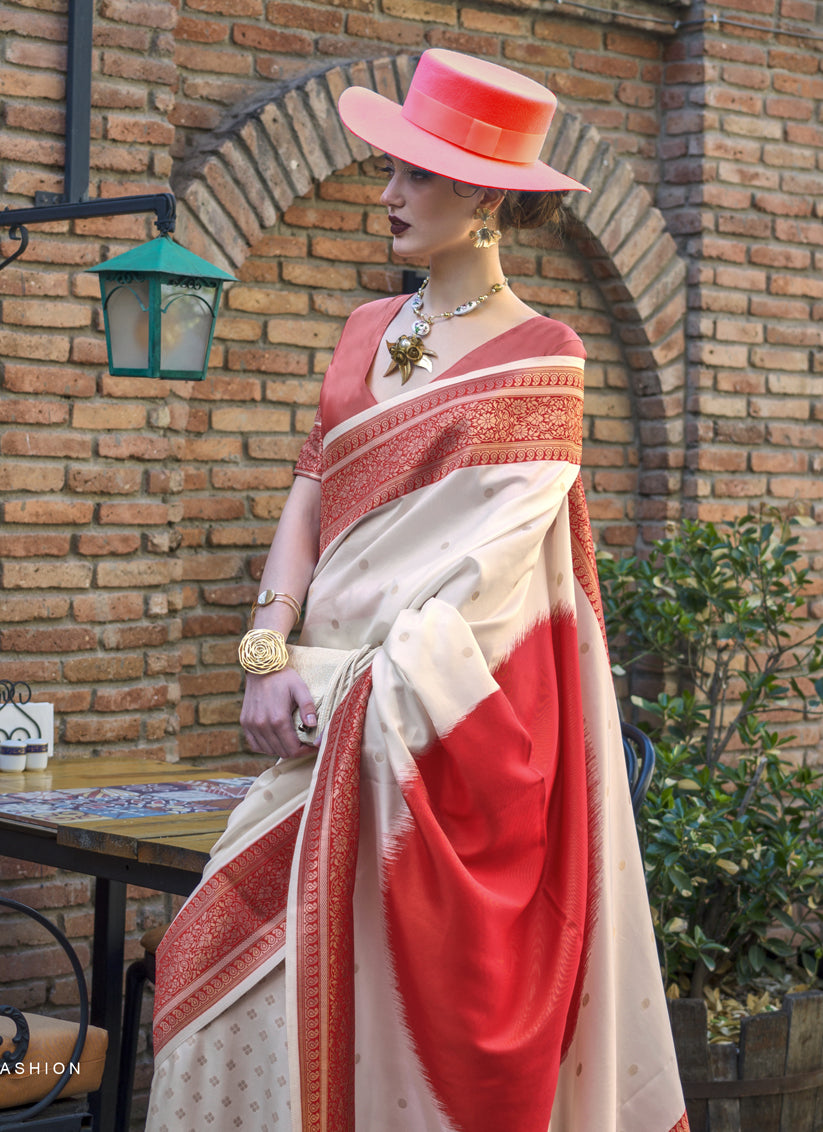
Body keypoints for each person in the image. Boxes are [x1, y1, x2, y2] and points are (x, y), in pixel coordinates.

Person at [147, 49, 688, 1132]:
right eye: (390, 168)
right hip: (308, 718)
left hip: (417, 736)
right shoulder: (361, 331)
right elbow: (310, 488)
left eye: (419, 174)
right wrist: (265, 645)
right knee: (199, 974)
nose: (388, 194)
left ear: (486, 195)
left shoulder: (544, 359)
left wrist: (329, 678)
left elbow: (482, 589)